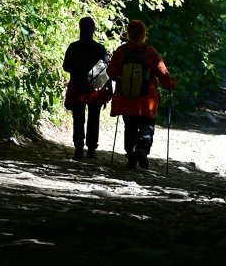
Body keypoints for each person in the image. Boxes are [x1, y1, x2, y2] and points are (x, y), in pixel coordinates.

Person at [106, 19, 175, 169]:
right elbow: (162, 72)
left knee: (130, 126)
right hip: (146, 98)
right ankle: (142, 150)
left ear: (128, 33)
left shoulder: (122, 51)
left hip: (126, 97)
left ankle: (131, 156)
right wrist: (169, 85)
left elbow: (111, 72)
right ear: (144, 34)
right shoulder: (150, 51)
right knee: (147, 125)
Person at [62, 16, 110, 160]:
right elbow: (106, 70)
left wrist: (78, 70)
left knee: (78, 118)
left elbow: (66, 66)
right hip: (95, 89)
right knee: (94, 118)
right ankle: (91, 149)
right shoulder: (100, 49)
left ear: (80, 28)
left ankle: (78, 148)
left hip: (77, 87)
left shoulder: (73, 47)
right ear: (93, 30)